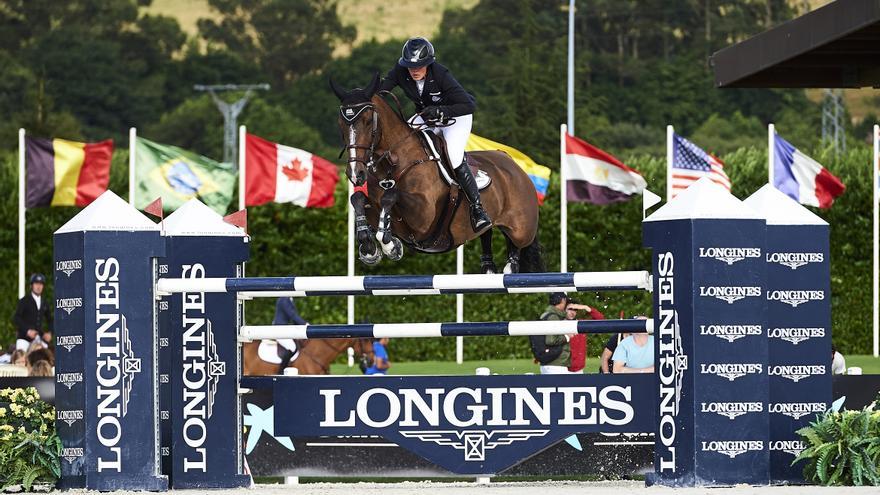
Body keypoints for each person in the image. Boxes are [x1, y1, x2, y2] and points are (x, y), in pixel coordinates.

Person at [379, 37, 490, 233]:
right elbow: (383, 89)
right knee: (404, 142)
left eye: (419, 66)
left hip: (456, 118)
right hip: (427, 117)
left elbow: (468, 105)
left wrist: (442, 112)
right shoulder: (400, 70)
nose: (414, 70)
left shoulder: (441, 74)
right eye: (410, 66)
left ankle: (477, 209)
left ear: (428, 63)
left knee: (454, 157)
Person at [12, 273, 52, 351]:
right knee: (21, 358)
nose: (38, 286)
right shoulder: (24, 300)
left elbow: (50, 319)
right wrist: (28, 330)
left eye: (41, 284)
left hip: (38, 338)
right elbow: (16, 318)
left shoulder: (44, 302)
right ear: (31, 285)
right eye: (36, 283)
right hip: (24, 338)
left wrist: (50, 333)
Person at [537, 293, 573, 374]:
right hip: (556, 364)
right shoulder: (553, 317)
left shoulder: (546, 314)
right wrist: (567, 337)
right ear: (563, 300)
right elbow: (551, 340)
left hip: (550, 362)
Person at [565, 300, 605, 373]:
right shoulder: (558, 324)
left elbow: (601, 320)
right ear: (564, 309)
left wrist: (586, 308)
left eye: (575, 309)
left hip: (579, 369)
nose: (572, 312)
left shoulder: (581, 324)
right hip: (562, 368)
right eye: (570, 309)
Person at [272, 297, 307, 368]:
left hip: (285, 329)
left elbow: (293, 317)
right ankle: (281, 371)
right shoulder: (284, 299)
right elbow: (292, 315)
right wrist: (305, 324)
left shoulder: (289, 299)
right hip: (279, 329)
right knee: (292, 347)